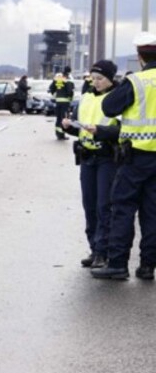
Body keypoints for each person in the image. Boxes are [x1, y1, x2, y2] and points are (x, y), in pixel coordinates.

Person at [92, 32, 156, 280]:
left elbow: (109, 107)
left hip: (135, 157)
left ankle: (118, 263)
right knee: (152, 212)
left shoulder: (136, 82)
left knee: (123, 207)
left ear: (140, 57)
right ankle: (148, 266)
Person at [61, 60, 120, 269]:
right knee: (89, 205)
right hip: (87, 157)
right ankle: (94, 247)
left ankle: (103, 252)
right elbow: (80, 128)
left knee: (104, 205)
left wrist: (101, 132)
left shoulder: (116, 99)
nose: (96, 82)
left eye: (100, 79)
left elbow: (122, 130)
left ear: (110, 79)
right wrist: (69, 127)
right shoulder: (85, 97)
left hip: (106, 158)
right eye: (93, 78)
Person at [49, 69, 75, 140]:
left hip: (58, 102)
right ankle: (62, 135)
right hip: (65, 103)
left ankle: (58, 134)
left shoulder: (58, 80)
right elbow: (70, 92)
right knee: (64, 118)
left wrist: (56, 96)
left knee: (58, 118)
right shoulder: (68, 81)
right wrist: (70, 99)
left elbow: (51, 89)